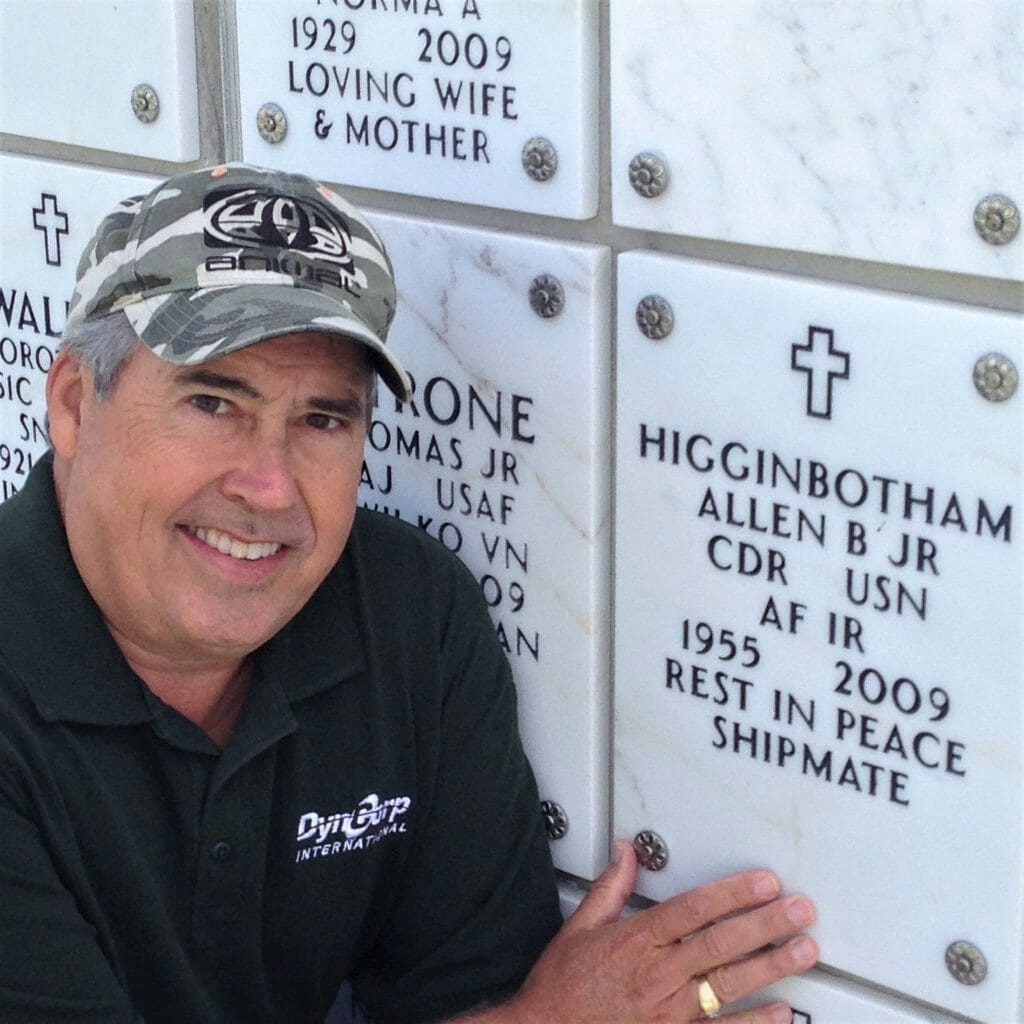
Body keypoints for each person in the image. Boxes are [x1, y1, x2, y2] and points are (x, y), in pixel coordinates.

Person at [0, 163, 818, 1024]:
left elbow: (466, 994)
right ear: (74, 406)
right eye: (212, 402)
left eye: (323, 420)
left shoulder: (406, 616)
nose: (270, 486)